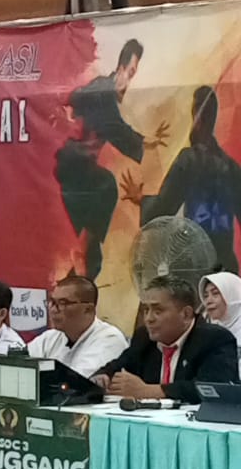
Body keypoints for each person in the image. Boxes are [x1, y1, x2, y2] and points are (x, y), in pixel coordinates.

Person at [54, 38, 168, 279]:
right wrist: (143, 141)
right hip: (70, 164)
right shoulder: (102, 91)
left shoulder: (102, 93)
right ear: (120, 68)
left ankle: (81, 264)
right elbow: (113, 126)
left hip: (79, 168)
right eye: (131, 72)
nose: (130, 81)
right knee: (105, 186)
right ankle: (83, 251)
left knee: (93, 257)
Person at [120, 86, 241, 273]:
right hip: (227, 266)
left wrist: (141, 199)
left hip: (197, 262)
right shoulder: (232, 168)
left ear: (196, 116)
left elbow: (164, 207)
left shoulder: (188, 160)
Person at [96, 276, 239, 402]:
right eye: (146, 310)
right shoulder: (144, 337)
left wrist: (151, 391)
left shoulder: (215, 339)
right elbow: (118, 365)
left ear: (186, 314)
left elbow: (215, 388)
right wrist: (103, 377)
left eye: (158, 311)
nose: (149, 319)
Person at [27, 275, 128, 376]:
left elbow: (78, 380)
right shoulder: (49, 337)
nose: (53, 310)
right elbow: (22, 365)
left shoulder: (110, 339)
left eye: (62, 303)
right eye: (52, 302)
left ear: (88, 309)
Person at [201, 272, 241, 374]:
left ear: (232, 294)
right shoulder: (209, 331)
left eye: (215, 293)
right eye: (205, 296)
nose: (208, 301)